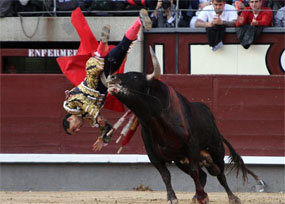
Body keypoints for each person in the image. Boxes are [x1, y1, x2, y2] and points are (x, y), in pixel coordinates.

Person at [62, 9, 152, 151]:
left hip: (94, 76)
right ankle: (139, 21)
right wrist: (103, 138)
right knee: (123, 47)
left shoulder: (69, 104)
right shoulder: (89, 118)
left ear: (69, 119)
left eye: (74, 129)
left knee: (96, 63)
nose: (78, 130)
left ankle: (102, 46)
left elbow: (83, 101)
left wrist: (97, 116)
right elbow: (108, 128)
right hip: (106, 76)